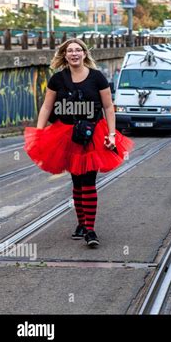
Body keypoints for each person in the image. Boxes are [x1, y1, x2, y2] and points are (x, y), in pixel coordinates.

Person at [24, 38, 134, 247]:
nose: (74, 54)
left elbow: (108, 107)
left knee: (88, 181)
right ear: (64, 55)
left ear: (85, 53)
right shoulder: (57, 79)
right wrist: (39, 133)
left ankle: (90, 230)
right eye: (69, 51)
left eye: (78, 50)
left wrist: (111, 135)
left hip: (94, 133)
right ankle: (81, 223)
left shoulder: (97, 78)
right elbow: (46, 108)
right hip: (67, 134)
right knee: (76, 181)